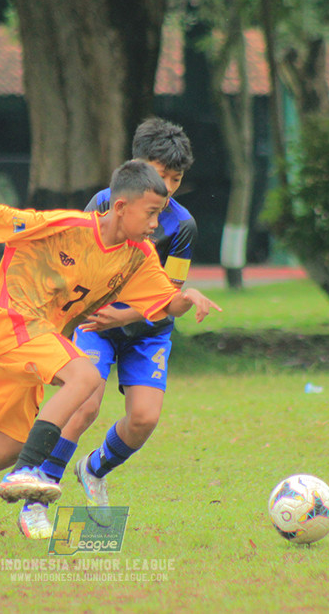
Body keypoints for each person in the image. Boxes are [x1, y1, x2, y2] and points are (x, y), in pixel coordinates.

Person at [0, 160, 221, 542]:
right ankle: (30, 469)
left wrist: (189, 296)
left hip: (41, 341)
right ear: (121, 207)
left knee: (0, 452)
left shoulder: (139, 255)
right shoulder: (71, 226)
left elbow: (166, 302)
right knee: (85, 376)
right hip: (16, 322)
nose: (156, 223)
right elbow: (4, 217)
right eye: (151, 213)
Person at [16, 117, 198, 539]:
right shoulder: (104, 203)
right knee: (84, 406)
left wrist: (129, 315)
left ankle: (93, 469)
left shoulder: (183, 226)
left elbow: (169, 295)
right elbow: (77, 263)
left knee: (144, 419)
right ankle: (36, 501)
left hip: (147, 331)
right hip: (96, 321)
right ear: (137, 165)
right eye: (161, 175)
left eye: (176, 179)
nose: (168, 187)